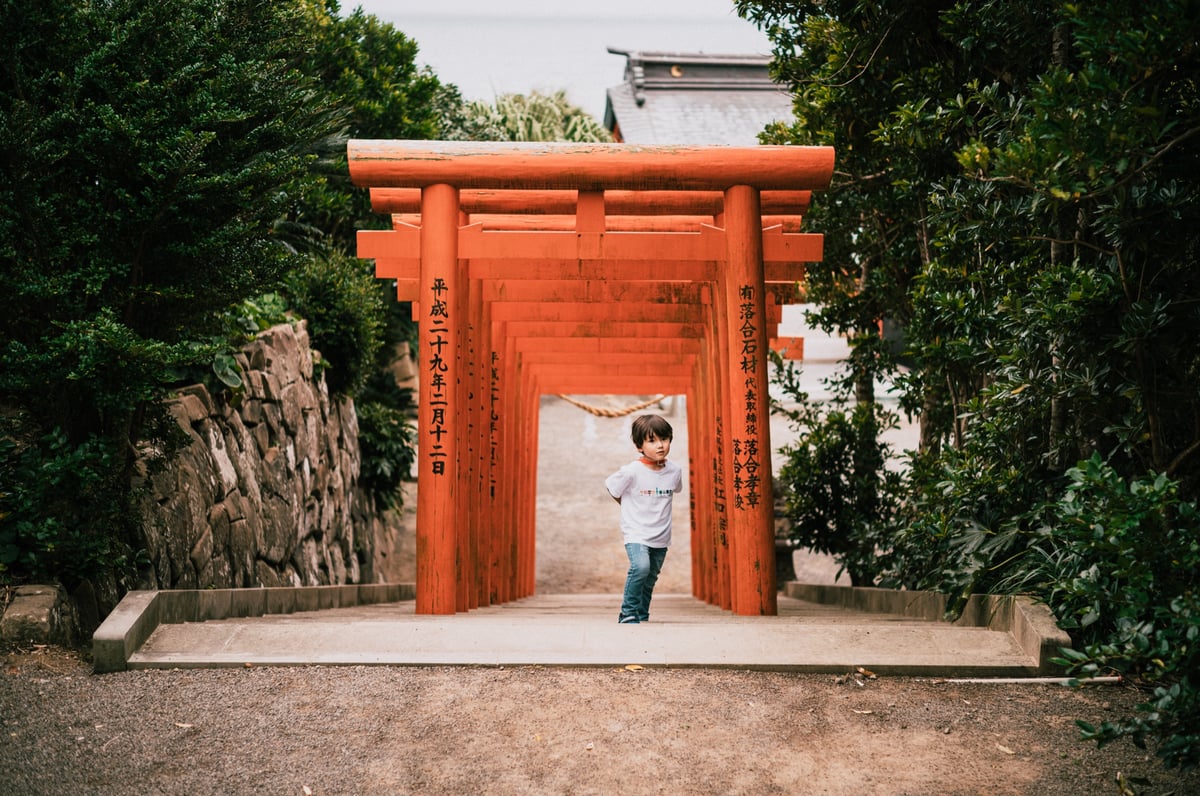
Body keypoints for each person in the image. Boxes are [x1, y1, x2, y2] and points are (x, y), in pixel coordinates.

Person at [604, 414, 684, 624]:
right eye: (652, 440)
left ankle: (642, 613)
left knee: (650, 578)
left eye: (664, 439)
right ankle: (627, 612)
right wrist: (627, 506)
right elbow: (612, 488)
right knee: (640, 567)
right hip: (636, 532)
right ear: (639, 445)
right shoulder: (631, 471)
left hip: (661, 534)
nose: (660, 445)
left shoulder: (674, 471)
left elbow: (676, 489)